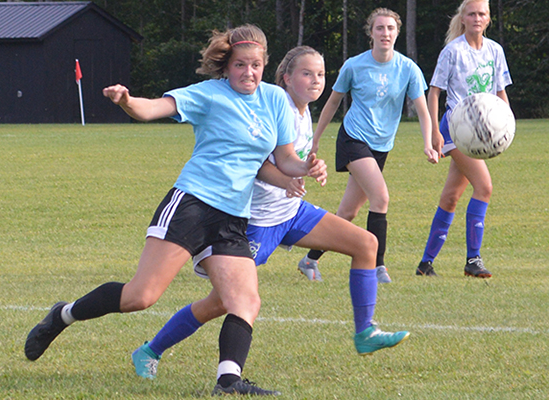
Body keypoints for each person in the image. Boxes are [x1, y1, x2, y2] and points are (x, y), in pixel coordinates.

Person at [23, 24, 327, 397]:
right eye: (239, 65)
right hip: (192, 205)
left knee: (245, 300)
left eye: (256, 66)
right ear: (226, 66)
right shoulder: (208, 95)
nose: (248, 73)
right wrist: (126, 101)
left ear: (265, 66)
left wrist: (307, 166)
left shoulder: (275, 101)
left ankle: (228, 382)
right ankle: (63, 315)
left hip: (233, 217)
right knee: (140, 296)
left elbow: (285, 160)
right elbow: (152, 109)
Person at [129, 46, 410, 383]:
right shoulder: (276, 106)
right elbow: (258, 161)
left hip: (291, 213)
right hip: (259, 221)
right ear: (286, 78)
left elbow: (292, 160)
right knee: (221, 302)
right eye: (307, 73)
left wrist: (308, 169)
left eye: (320, 74)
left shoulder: (303, 112)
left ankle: (365, 332)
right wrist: (287, 178)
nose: (316, 80)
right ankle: (151, 350)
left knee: (365, 244)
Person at [297, 8, 440, 284]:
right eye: (379, 28)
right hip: (353, 139)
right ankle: (378, 267)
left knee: (347, 213)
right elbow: (333, 102)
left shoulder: (408, 68)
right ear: (370, 33)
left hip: (381, 146)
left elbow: (422, 110)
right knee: (381, 198)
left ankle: (310, 259)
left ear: (397, 33)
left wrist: (427, 143)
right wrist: (316, 138)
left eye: (390, 28)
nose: (385, 33)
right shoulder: (354, 65)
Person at [416, 0, 512, 278]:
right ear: (464, 18)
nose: (477, 18)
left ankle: (425, 263)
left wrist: (506, 127)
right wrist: (435, 131)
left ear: (488, 18)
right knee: (484, 186)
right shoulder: (453, 51)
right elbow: (434, 93)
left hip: (480, 130)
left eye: (482, 13)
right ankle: (473, 260)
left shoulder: (495, 51)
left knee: (450, 197)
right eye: (472, 13)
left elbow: (499, 92)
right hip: (457, 127)